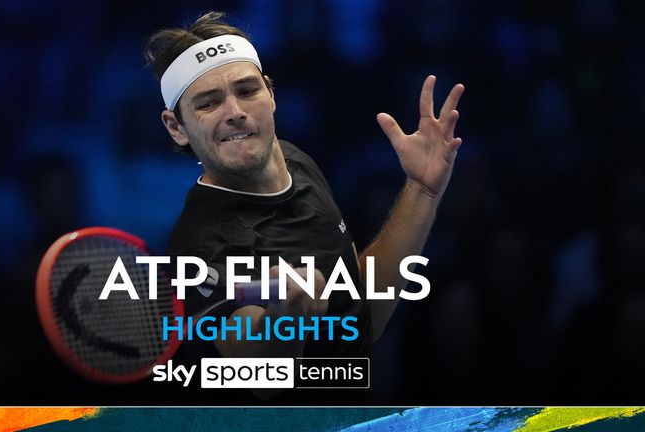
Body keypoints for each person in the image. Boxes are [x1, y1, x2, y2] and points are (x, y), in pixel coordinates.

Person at [144, 11, 464, 403]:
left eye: (246, 91)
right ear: (177, 127)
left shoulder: (295, 160)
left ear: (271, 95)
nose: (234, 112)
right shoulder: (200, 245)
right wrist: (286, 317)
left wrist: (422, 190)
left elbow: (363, 315)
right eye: (209, 103)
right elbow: (263, 383)